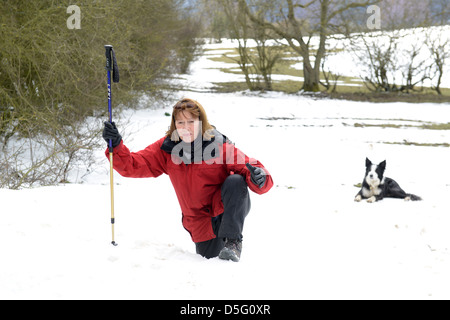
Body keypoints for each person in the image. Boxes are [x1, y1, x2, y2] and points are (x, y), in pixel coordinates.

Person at [102, 98, 273, 262]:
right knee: (210, 264)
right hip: (200, 224)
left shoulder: (219, 146)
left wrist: (260, 178)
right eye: (180, 123)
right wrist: (116, 146)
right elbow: (132, 165)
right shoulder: (167, 149)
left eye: (191, 122)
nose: (186, 128)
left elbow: (252, 167)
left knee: (236, 180)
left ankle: (233, 242)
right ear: (174, 125)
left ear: (201, 122)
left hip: (225, 210)